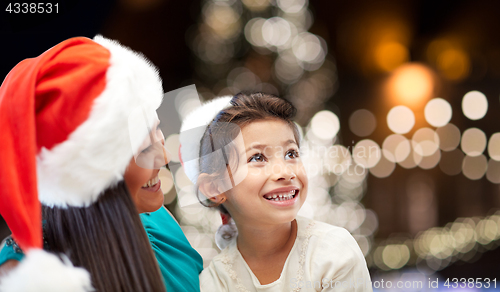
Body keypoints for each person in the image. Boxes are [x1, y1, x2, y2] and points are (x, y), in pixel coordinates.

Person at [0, 35, 201, 291]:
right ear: (89, 173)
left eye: (157, 130)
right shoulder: (27, 278)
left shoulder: (159, 222)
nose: (164, 157)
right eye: (144, 147)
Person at [179, 92, 373, 291]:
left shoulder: (333, 253)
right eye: (257, 158)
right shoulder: (213, 283)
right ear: (215, 188)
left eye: (291, 153)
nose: (286, 172)